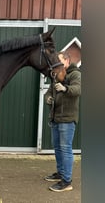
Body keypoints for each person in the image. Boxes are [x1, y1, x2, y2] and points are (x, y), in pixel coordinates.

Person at [44, 51, 81, 192]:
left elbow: (78, 89)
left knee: (65, 149)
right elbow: (48, 93)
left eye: (59, 61)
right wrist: (48, 99)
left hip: (67, 119)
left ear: (66, 61)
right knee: (58, 147)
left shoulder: (75, 74)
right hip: (55, 118)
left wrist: (65, 88)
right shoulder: (56, 76)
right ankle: (60, 173)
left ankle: (66, 181)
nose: (56, 64)